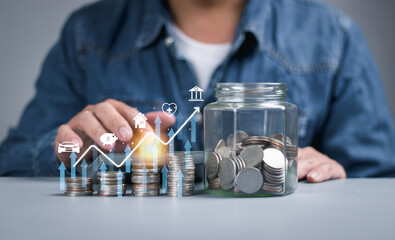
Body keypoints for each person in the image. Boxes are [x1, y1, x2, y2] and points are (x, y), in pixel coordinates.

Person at [1, 0, 395, 182]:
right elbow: (11, 160)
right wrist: (66, 149)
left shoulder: (333, 38)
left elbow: (378, 180)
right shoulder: (87, 34)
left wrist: (335, 175)